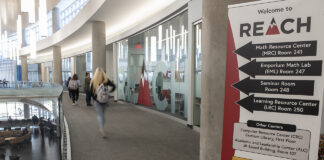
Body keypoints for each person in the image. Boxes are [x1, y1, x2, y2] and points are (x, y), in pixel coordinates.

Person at [90, 67, 115, 138]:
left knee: (100, 115)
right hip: (105, 101)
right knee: (102, 115)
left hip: (97, 101)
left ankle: (101, 128)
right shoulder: (106, 80)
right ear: (103, 73)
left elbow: (91, 93)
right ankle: (102, 127)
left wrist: (96, 99)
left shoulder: (93, 80)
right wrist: (109, 93)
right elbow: (114, 86)